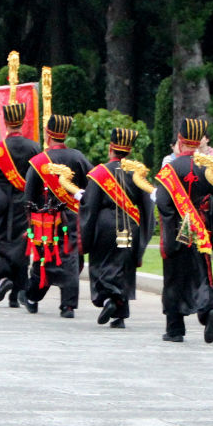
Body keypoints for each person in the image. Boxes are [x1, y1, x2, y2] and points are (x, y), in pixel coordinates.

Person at [153, 118, 213, 343]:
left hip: (179, 228)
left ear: (180, 140)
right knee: (202, 273)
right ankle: (209, 309)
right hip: (201, 229)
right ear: (200, 141)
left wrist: (170, 227)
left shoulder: (170, 167)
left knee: (174, 277)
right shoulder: (211, 166)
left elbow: (163, 202)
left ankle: (175, 329)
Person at [79, 128, 154, 329]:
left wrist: (85, 237)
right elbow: (148, 207)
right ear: (129, 150)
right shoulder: (138, 172)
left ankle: (107, 300)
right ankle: (119, 313)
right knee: (124, 265)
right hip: (130, 226)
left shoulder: (98, 173)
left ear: (111, 147)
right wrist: (143, 239)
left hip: (105, 226)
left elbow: (90, 207)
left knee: (102, 265)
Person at [21, 113, 91, 317]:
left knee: (44, 260)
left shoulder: (37, 162)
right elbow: (91, 186)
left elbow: (29, 198)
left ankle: (32, 297)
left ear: (48, 134)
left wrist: (29, 226)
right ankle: (67, 305)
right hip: (73, 219)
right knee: (71, 260)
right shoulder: (78, 157)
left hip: (46, 222)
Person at [0, 102, 39, 307]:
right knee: (21, 245)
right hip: (24, 204)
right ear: (22, 121)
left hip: (0, 203)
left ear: (5, 122)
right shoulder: (34, 147)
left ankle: (4, 278)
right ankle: (17, 294)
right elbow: (38, 178)